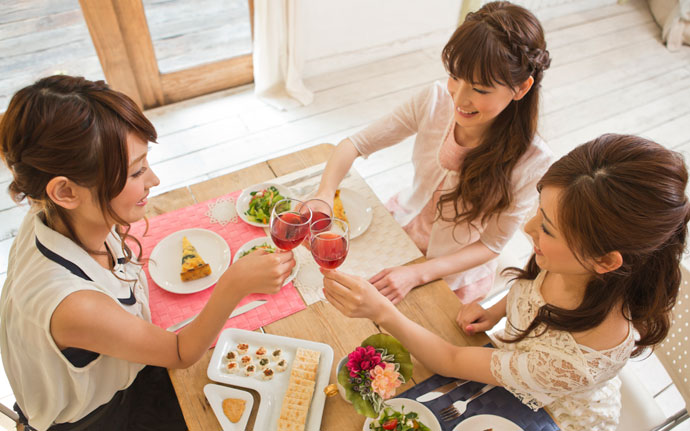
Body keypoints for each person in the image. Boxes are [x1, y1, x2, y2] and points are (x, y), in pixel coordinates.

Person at [323, 134, 690, 431]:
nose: (528, 229)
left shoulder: (576, 358)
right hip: (512, 361)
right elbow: (532, 290)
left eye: (546, 227)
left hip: (550, 414)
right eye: (539, 212)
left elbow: (449, 359)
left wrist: (381, 312)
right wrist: (497, 309)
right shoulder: (573, 265)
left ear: (606, 261)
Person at [0, 75, 295, 431]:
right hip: (104, 416)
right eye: (137, 171)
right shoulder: (73, 305)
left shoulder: (50, 211)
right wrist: (234, 285)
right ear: (65, 191)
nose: (153, 181)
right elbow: (179, 353)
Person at [314, 1, 554, 305]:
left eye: (480, 90)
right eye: (455, 76)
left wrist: (417, 274)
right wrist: (324, 194)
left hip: (452, 273)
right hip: (399, 228)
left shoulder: (533, 161)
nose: (460, 98)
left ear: (520, 88)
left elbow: (492, 245)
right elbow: (355, 144)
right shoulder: (434, 100)